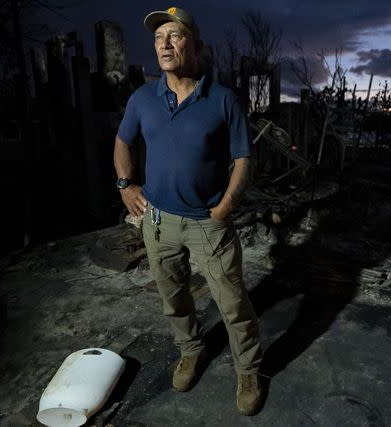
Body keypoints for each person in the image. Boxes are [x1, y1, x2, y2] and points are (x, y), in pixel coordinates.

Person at [113, 6, 263, 416]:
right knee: (173, 297)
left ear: (196, 44)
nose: (164, 43)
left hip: (206, 222)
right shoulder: (143, 98)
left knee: (231, 301)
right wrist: (126, 186)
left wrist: (227, 204)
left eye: (174, 35)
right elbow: (123, 142)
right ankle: (191, 349)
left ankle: (248, 369)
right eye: (159, 36)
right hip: (158, 221)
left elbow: (243, 158)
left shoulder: (223, 99)